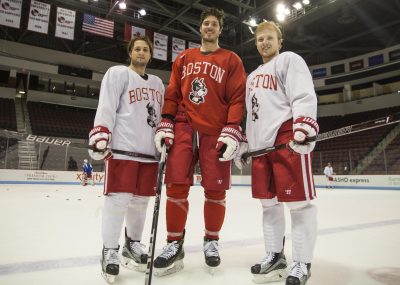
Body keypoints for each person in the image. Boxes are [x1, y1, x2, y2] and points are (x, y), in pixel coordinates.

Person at [153, 7, 246, 276]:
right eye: (206, 23)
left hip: (215, 129)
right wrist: (166, 121)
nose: (209, 27)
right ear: (200, 28)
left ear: (220, 29)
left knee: (216, 190)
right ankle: (174, 244)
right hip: (182, 125)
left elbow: (237, 98)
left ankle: (212, 241)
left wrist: (232, 128)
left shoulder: (231, 60)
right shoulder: (184, 57)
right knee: (176, 187)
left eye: (214, 24)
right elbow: (171, 92)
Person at [235, 21, 319, 285]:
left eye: (269, 38)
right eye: (260, 39)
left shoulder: (289, 60)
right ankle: (275, 256)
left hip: (285, 140)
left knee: (299, 205)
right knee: (268, 205)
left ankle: (302, 262)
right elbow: (252, 115)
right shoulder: (251, 77)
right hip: (261, 146)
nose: (264, 43)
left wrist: (304, 125)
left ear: (280, 41)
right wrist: (246, 144)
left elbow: (303, 95)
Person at [87, 36, 165, 283]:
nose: (141, 52)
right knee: (118, 201)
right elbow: (107, 105)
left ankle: (133, 244)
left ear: (150, 55)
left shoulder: (158, 83)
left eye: (145, 49)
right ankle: (110, 249)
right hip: (122, 149)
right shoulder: (118, 73)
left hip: (149, 154)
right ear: (130, 52)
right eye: (137, 49)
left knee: (140, 203)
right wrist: (101, 131)